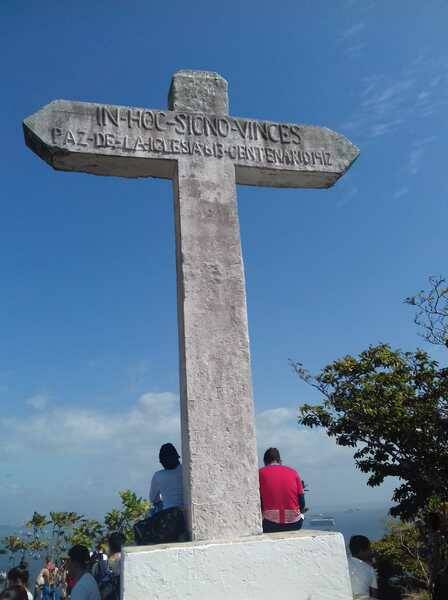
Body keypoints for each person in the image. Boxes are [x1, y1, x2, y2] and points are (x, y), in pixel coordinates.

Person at [258, 447, 305, 533]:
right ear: (280, 461)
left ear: (265, 462)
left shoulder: (260, 473)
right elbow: (302, 503)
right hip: (295, 525)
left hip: (269, 525)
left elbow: (258, 503)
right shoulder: (294, 473)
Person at [149, 443, 184, 511]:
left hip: (169, 512)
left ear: (162, 462)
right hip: (187, 508)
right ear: (177, 457)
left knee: (153, 509)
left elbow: (153, 499)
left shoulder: (158, 476)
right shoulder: (186, 469)